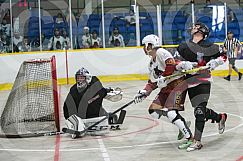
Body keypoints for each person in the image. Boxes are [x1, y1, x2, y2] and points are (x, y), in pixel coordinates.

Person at [134, 34, 194, 149]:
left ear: (149, 45)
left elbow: (171, 63)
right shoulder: (151, 64)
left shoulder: (161, 52)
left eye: (144, 45)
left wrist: (165, 76)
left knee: (171, 113)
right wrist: (144, 92)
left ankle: (190, 138)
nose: (143, 48)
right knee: (153, 111)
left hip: (177, 84)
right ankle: (181, 123)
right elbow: (152, 82)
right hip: (166, 87)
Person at [177, 22, 228, 151]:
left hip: (203, 80)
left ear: (201, 31)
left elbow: (224, 55)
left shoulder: (211, 46)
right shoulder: (184, 46)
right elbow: (174, 61)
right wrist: (183, 64)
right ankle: (220, 117)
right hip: (190, 82)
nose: (193, 28)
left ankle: (197, 141)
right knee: (199, 111)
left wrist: (216, 61)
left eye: (196, 27)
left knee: (199, 111)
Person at [63, 67, 124, 138]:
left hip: (96, 115)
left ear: (87, 78)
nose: (79, 80)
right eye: (78, 78)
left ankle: (109, 117)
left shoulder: (95, 85)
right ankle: (108, 118)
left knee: (104, 113)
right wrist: (71, 120)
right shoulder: (73, 90)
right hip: (83, 117)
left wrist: (109, 91)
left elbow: (103, 92)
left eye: (82, 78)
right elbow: (66, 108)